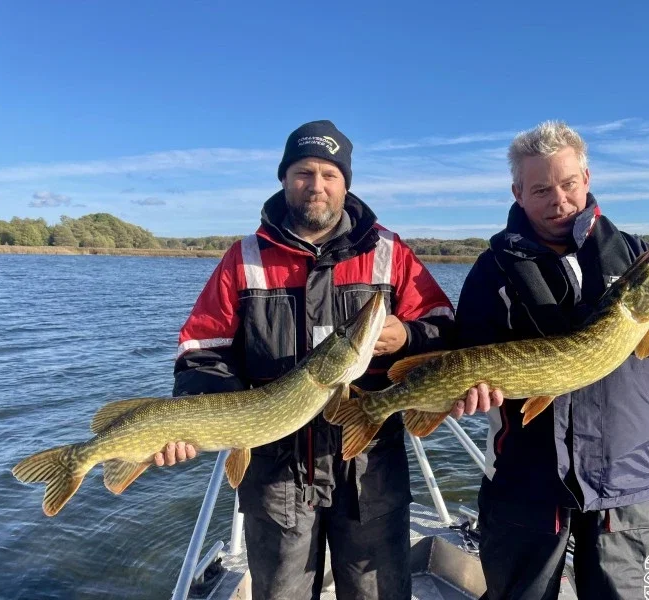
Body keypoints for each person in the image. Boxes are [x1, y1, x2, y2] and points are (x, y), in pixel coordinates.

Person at [158, 120, 459, 600]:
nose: (316, 185)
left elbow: (446, 330)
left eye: (329, 174)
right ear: (284, 178)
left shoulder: (390, 252)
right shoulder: (244, 258)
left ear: (345, 184)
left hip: (369, 471)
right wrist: (203, 417)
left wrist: (407, 335)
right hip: (275, 476)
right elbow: (201, 352)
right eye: (303, 172)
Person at [455, 121, 649, 600]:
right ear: (518, 193)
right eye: (541, 190)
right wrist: (470, 394)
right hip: (524, 482)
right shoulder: (492, 270)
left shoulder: (633, 253)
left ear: (587, 178)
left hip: (625, 482)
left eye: (568, 184)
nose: (559, 200)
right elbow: (467, 352)